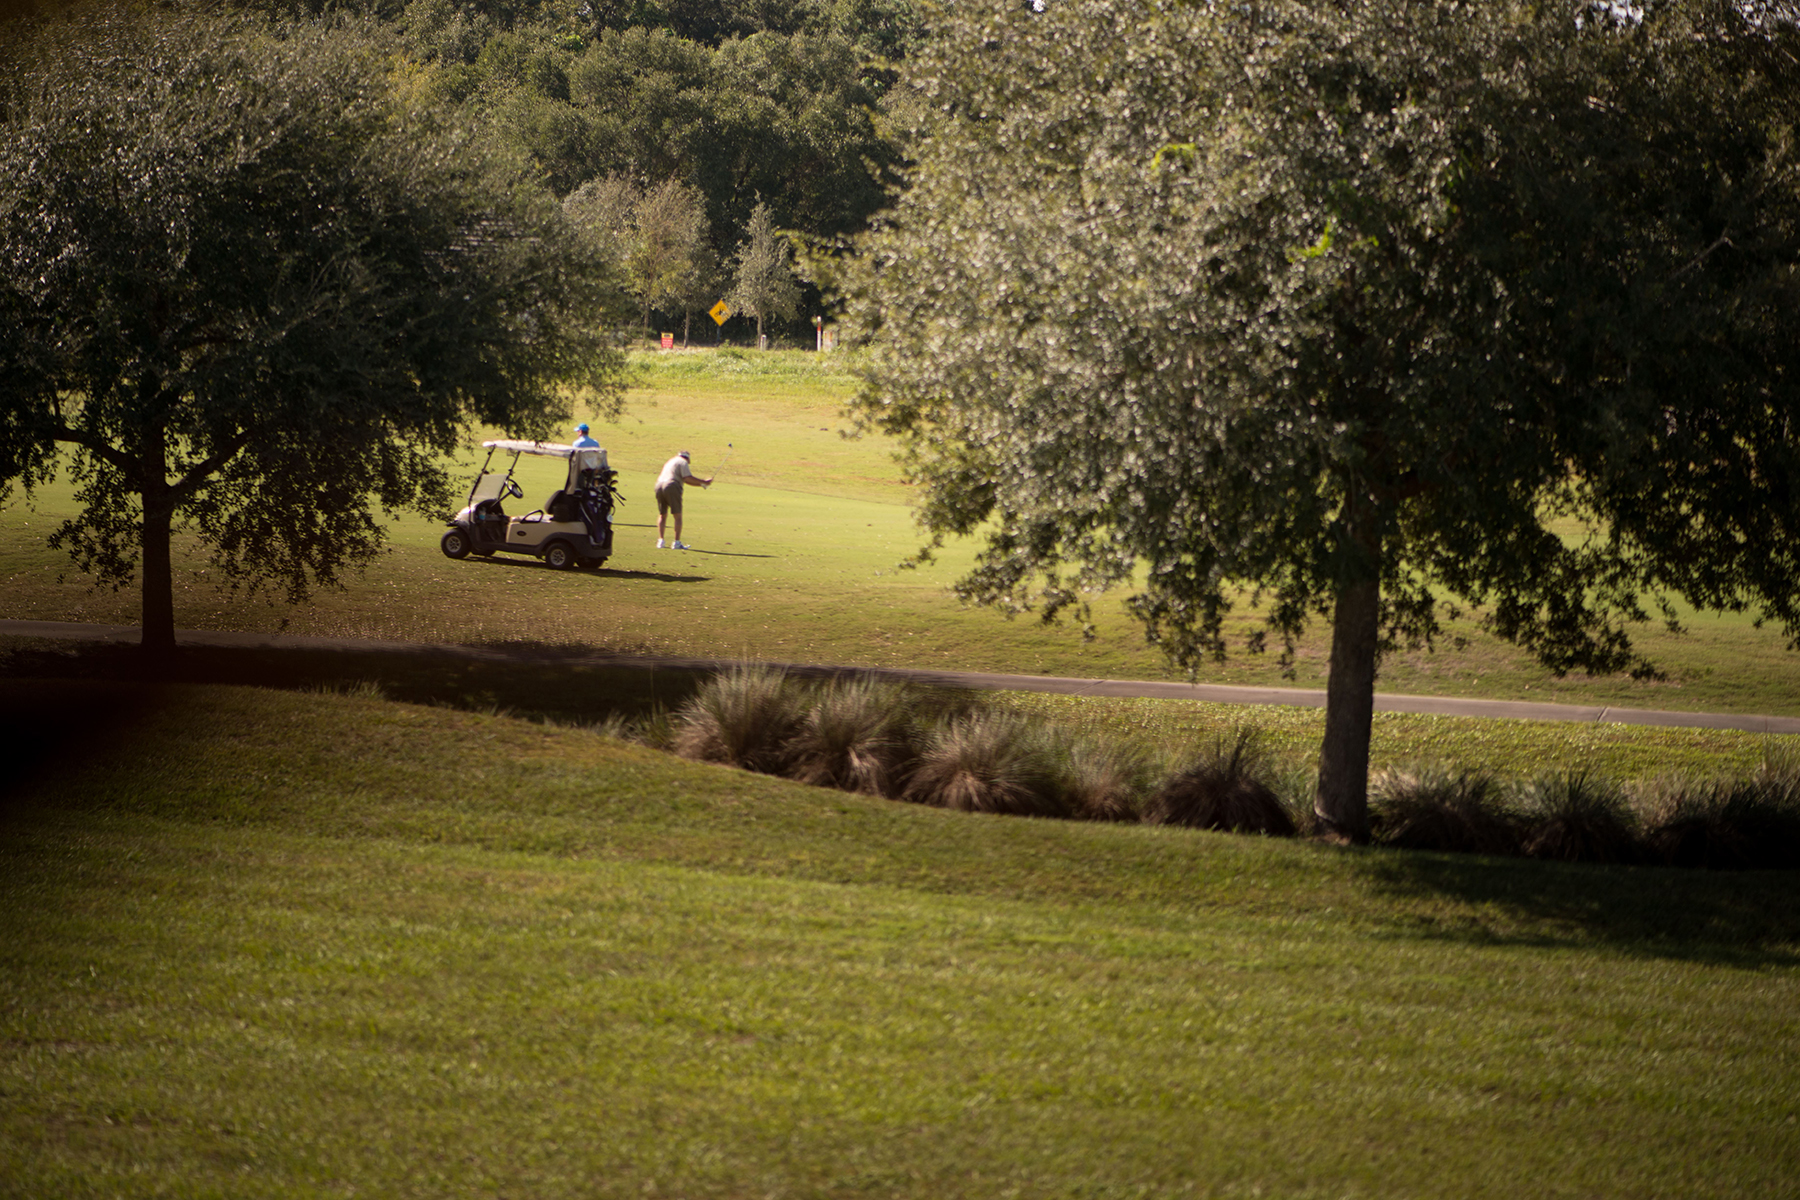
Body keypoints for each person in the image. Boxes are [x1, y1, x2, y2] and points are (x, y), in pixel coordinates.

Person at [654, 450, 712, 549]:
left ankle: (661, 541)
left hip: (659, 485)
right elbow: (687, 478)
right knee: (677, 515)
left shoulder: (671, 461)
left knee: (662, 514)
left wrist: (701, 484)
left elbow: (686, 480)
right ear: (688, 458)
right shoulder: (683, 462)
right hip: (671, 485)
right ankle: (676, 542)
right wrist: (704, 482)